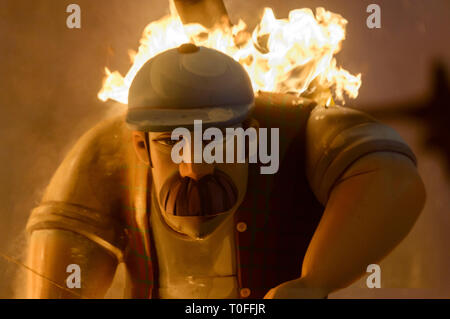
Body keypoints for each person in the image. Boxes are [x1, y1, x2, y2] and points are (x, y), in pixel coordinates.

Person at [26, 44, 426, 299]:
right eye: (172, 142)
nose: (195, 168)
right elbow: (61, 253)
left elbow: (388, 172)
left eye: (217, 141)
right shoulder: (108, 152)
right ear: (140, 145)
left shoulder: (296, 132)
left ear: (252, 136)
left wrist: (315, 281)